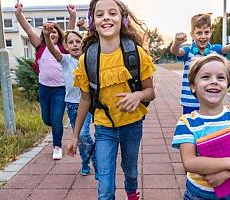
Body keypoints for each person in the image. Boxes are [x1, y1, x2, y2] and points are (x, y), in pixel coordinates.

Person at [67, 0, 156, 199]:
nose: (106, 17)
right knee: (105, 186)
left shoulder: (136, 52)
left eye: (112, 13)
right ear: (93, 21)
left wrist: (138, 95)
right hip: (103, 126)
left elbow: (150, 91)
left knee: (130, 170)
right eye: (100, 14)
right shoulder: (87, 58)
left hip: (132, 125)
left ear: (122, 19)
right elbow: (84, 100)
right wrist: (75, 136)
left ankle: (132, 193)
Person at [172, 54, 230, 200]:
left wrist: (225, 174)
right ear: (193, 86)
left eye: (220, 78)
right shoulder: (187, 122)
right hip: (198, 194)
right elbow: (189, 162)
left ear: (227, 85)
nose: (214, 81)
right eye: (206, 77)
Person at [14, 2, 76, 160]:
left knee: (56, 119)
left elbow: (70, 31)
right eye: (50, 31)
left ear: (59, 34)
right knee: (47, 119)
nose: (52, 34)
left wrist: (73, 15)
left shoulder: (63, 48)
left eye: (55, 31)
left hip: (60, 89)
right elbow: (28, 29)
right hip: (44, 89)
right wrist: (19, 14)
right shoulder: (40, 46)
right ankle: (56, 127)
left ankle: (57, 146)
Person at [170, 13, 230, 114]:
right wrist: (176, 43)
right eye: (199, 33)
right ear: (192, 34)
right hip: (190, 103)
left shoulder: (215, 50)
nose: (203, 36)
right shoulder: (188, 51)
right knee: (191, 128)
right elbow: (175, 51)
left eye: (206, 32)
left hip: (211, 102)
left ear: (210, 33)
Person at [43, 21, 96, 176]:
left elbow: (96, 39)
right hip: (73, 105)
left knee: (85, 134)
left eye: (78, 41)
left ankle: (98, 161)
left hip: (91, 103)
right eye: (70, 42)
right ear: (65, 46)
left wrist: (86, 27)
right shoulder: (65, 60)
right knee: (80, 137)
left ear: (83, 44)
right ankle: (87, 161)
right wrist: (47, 36)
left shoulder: (88, 57)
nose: (74, 45)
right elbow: (52, 49)